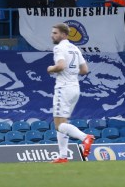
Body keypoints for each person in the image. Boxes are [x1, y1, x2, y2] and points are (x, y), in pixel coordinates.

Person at [46, 23, 94, 163]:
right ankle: (63, 156)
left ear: (64, 35)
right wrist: (71, 72)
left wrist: (50, 68)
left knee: (58, 125)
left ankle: (85, 137)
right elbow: (85, 70)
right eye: (52, 32)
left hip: (63, 88)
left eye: (55, 33)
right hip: (75, 88)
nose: (52, 35)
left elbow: (60, 66)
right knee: (63, 123)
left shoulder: (59, 48)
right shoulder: (75, 48)